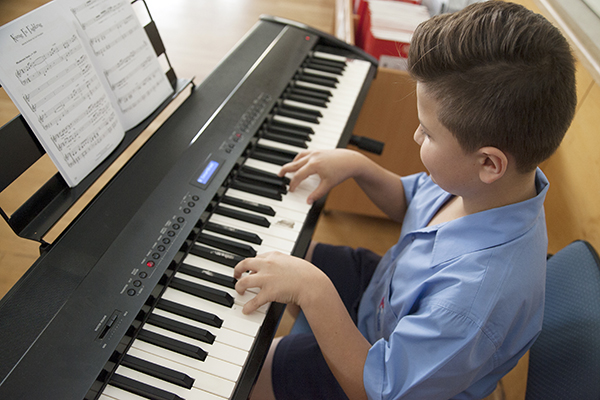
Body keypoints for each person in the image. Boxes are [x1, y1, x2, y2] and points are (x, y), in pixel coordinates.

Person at [233, 1, 577, 399]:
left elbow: (380, 389)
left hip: (383, 371)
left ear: (488, 162)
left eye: (428, 133)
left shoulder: (472, 303)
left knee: (252, 371)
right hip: (387, 295)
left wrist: (314, 292)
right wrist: (360, 167)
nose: (415, 137)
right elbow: (410, 201)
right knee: (281, 251)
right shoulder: (493, 186)